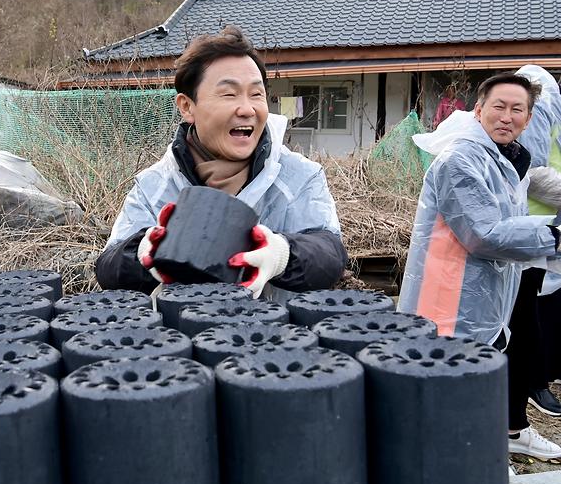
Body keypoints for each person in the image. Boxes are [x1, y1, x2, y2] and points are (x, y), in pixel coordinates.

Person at [95, 26, 347, 300]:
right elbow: (109, 269)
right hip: (175, 339)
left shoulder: (299, 176)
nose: (247, 109)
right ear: (187, 107)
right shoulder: (154, 185)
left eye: (256, 94)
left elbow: (330, 256)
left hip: (277, 339)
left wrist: (282, 254)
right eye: (229, 94)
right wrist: (145, 251)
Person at [399, 72, 561, 460]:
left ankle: (478, 451)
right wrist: (555, 236)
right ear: (479, 110)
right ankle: (454, 466)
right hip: (450, 297)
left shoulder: (505, 158)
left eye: (517, 109)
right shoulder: (461, 159)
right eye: (498, 107)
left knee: (473, 380)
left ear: (529, 116)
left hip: (482, 296)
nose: (507, 116)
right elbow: (484, 233)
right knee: (448, 383)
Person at [516, 64, 561, 418]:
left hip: (552, 225)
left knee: (551, 300)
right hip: (530, 225)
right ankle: (534, 382)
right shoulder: (538, 104)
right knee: (534, 305)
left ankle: (545, 371)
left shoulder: (552, 112)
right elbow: (530, 171)